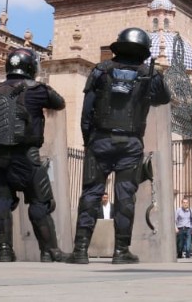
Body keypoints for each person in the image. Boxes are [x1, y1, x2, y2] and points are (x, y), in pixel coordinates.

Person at [65, 27, 170, 265]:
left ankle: (80, 250)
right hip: (131, 143)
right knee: (125, 197)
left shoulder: (101, 70)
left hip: (99, 140)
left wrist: (88, 140)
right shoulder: (147, 74)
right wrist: (156, 76)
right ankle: (121, 251)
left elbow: (86, 111)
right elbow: (164, 98)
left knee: (91, 194)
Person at [0, 47, 67, 263]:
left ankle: (3, 250)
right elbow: (59, 102)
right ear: (31, 67)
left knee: (1, 200)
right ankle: (49, 251)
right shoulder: (38, 89)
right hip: (25, 155)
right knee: (40, 201)